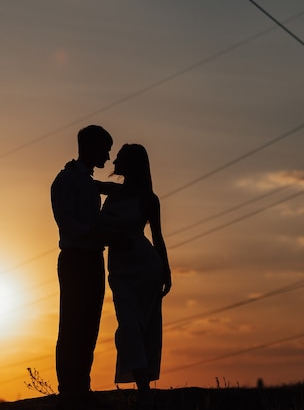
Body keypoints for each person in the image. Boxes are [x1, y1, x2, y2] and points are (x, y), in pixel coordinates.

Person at [97, 143, 172, 409]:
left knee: (143, 324)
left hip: (145, 265)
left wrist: (166, 269)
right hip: (119, 268)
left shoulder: (148, 198)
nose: (114, 160)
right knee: (128, 325)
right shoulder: (114, 192)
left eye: (120, 157)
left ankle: (144, 389)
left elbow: (158, 236)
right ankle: (143, 387)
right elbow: (92, 186)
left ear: (132, 164)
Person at [50, 124, 113, 409]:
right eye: (105, 149)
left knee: (90, 324)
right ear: (89, 147)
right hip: (76, 258)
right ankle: (69, 388)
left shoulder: (87, 182)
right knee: (72, 322)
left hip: (92, 258)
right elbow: (69, 224)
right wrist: (98, 234)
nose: (108, 156)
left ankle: (80, 385)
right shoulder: (66, 180)